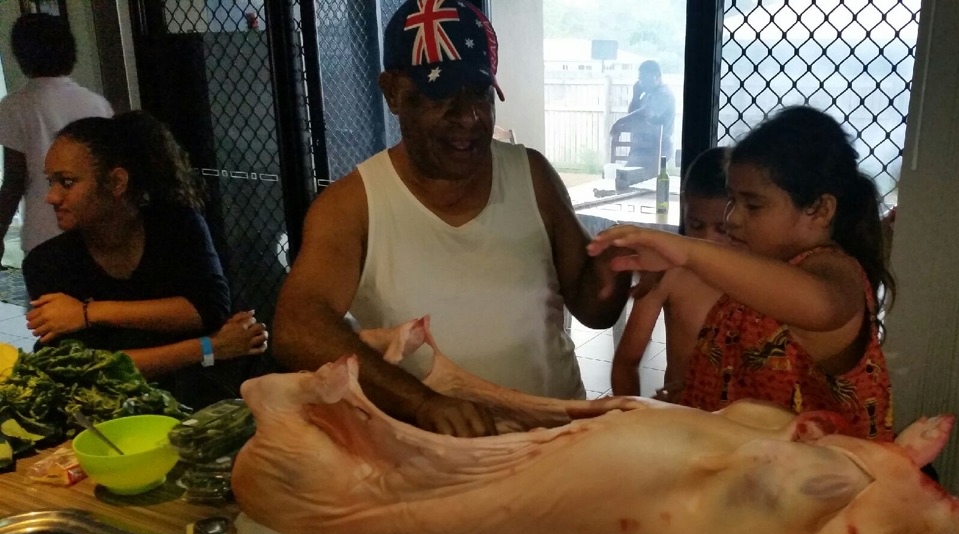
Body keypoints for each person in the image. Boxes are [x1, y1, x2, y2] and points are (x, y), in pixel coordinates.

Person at [272, 0, 632, 438]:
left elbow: (593, 308)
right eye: (440, 95)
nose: (468, 118)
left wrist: (616, 269)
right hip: (435, 455)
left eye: (479, 93)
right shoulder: (353, 205)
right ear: (392, 92)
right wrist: (422, 402)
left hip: (553, 439)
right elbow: (297, 326)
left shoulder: (531, 175)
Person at [590, 106, 896, 440]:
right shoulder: (759, 267)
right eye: (733, 201)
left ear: (819, 210)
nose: (734, 219)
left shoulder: (832, 269)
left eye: (753, 206)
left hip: (809, 486)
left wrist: (688, 250)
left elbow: (822, 304)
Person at [22, 112, 268, 407]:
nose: (51, 197)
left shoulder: (177, 226)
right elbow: (87, 369)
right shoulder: (46, 263)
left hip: (198, 398)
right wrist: (210, 347)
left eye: (67, 182)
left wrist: (89, 313)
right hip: (109, 409)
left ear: (116, 182)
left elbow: (207, 309)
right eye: (51, 181)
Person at [611, 146, 731, 402]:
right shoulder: (668, 273)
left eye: (723, 229)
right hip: (683, 420)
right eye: (696, 225)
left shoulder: (767, 279)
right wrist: (632, 417)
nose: (708, 239)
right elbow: (625, 362)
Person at [0, 13, 113, 265]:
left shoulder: (13, 107)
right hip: (93, 230)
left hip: (43, 234)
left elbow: (14, 179)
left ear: (22, 56)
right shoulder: (97, 103)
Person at [609, 60, 676, 181]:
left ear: (657, 76)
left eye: (644, 79)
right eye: (640, 79)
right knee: (623, 179)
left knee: (630, 180)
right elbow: (632, 115)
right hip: (641, 150)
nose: (641, 83)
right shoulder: (647, 95)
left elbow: (645, 113)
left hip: (655, 151)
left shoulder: (664, 94)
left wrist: (619, 122)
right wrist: (635, 96)